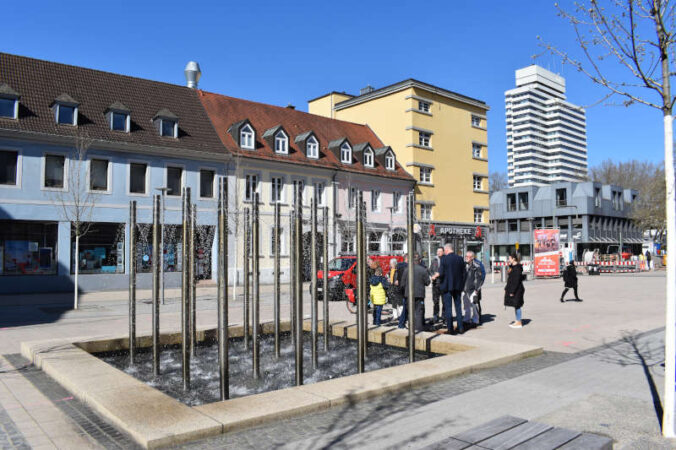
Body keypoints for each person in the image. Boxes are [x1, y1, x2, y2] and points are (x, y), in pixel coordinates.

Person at [433, 243, 466, 335]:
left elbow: (441, 272)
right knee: (458, 307)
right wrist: (462, 285)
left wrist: (435, 276)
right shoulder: (460, 258)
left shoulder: (444, 259)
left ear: (446, 250)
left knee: (448, 308)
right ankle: (460, 328)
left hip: (447, 287)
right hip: (458, 287)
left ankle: (450, 329)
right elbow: (464, 273)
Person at [398, 254, 430, 331]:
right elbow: (427, 282)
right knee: (419, 312)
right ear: (419, 261)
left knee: (410, 311)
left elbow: (402, 284)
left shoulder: (407, 269)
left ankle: (411, 328)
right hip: (419, 295)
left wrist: (404, 292)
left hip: (408, 294)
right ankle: (418, 329)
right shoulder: (423, 270)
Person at [462, 251, 484, 329]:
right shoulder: (464, 265)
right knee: (466, 305)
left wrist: (476, 289)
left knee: (474, 306)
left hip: (473, 290)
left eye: (468, 257)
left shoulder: (476, 266)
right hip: (465, 289)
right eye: (466, 256)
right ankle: (466, 319)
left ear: (472, 257)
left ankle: (476, 320)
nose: (466, 258)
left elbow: (479, 279)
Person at [504, 252, 525, 329]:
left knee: (517, 305)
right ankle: (517, 320)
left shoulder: (517, 268)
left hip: (517, 290)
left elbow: (516, 281)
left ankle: (519, 322)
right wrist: (506, 288)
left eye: (509, 258)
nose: (508, 260)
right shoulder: (512, 267)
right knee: (515, 305)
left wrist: (512, 291)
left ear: (514, 259)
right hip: (514, 289)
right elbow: (510, 280)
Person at [428, 247, 444, 322]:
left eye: (440, 251)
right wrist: (432, 275)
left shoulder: (445, 260)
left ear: (443, 252)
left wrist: (439, 275)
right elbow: (430, 270)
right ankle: (436, 316)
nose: (438, 253)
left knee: (444, 302)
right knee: (435, 301)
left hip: (443, 283)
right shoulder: (434, 260)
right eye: (437, 251)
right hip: (435, 284)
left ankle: (444, 316)